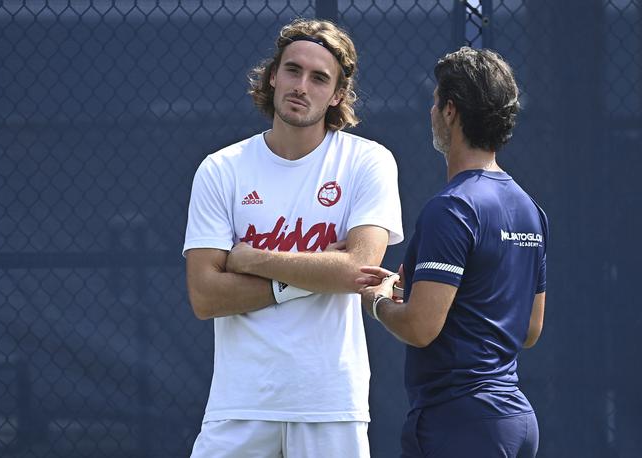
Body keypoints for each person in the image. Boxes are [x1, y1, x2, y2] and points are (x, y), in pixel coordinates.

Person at [183, 18, 403, 457]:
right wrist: (318, 272)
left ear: (338, 94)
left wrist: (251, 259)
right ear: (272, 75)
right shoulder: (221, 168)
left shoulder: (367, 162)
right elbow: (206, 296)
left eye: (319, 78)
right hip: (240, 403)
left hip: (329, 403)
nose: (302, 86)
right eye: (292, 70)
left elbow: (357, 269)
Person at [358, 47, 548, 458]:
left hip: (460, 425)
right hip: (515, 424)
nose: (431, 110)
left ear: (450, 111)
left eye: (434, 100)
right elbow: (529, 330)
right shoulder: (530, 209)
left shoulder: (452, 208)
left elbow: (420, 327)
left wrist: (376, 302)